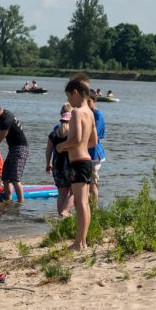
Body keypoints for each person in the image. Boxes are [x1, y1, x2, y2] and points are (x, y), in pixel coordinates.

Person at [56, 74, 97, 251]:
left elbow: (76, 138)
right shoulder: (90, 113)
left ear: (75, 93)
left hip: (78, 162)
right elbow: (93, 141)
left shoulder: (76, 113)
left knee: (80, 204)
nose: (68, 101)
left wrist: (62, 146)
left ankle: (79, 243)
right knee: (84, 203)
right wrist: (79, 145)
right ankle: (83, 241)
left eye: (68, 97)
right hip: (87, 160)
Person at [45, 104, 73, 217]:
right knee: (74, 192)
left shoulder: (53, 134)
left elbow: (48, 151)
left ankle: (61, 218)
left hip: (57, 165)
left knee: (62, 194)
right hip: (70, 164)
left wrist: (48, 164)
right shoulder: (72, 132)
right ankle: (65, 213)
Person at [86, 91, 106, 200]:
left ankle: (95, 207)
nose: (87, 104)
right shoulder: (88, 113)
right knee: (86, 183)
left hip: (94, 154)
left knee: (92, 183)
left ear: (94, 101)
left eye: (89, 101)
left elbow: (94, 136)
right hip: (86, 152)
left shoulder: (98, 115)